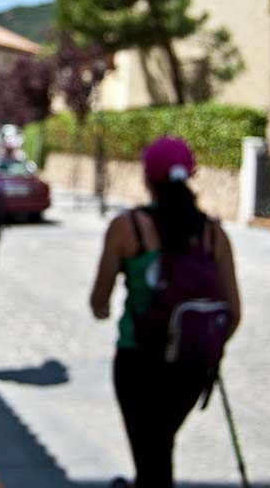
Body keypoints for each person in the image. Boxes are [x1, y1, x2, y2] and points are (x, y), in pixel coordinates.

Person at [88, 136, 241, 487]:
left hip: (138, 360)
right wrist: (197, 343)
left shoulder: (128, 228)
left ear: (146, 178)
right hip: (190, 367)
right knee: (158, 447)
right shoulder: (213, 234)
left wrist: (103, 308)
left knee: (151, 453)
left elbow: (99, 300)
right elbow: (234, 313)